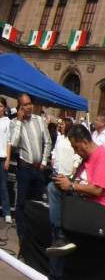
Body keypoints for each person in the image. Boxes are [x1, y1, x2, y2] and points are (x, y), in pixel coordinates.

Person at [31, 123, 105, 280]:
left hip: (97, 211)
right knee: (54, 188)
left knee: (54, 196)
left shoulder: (103, 157)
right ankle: (60, 237)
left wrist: (70, 185)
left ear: (84, 142)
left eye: (75, 147)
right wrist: (68, 182)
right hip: (84, 206)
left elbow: (97, 190)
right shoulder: (87, 159)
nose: (75, 151)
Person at [6, 93, 51, 236]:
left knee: (37, 203)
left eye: (29, 103)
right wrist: (19, 121)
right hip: (24, 168)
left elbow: (48, 141)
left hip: (38, 169)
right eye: (25, 105)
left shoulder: (39, 120)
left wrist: (44, 161)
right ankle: (22, 236)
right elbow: (14, 143)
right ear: (19, 107)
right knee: (21, 203)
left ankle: (34, 235)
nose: (29, 107)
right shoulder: (13, 123)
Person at [0, 98, 10, 224]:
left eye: (1, 106)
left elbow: (9, 142)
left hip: (2, 157)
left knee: (3, 186)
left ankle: (7, 212)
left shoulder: (8, 122)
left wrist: (8, 158)